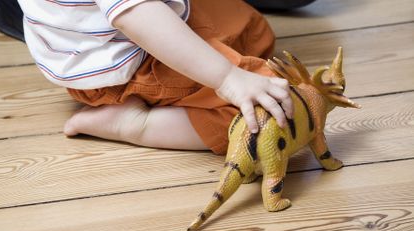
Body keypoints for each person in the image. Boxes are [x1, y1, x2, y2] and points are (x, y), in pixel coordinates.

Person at [17, 0, 295, 155]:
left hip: (97, 42)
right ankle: (135, 123)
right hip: (135, 59)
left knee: (253, 31)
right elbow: (136, 15)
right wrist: (227, 77)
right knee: (269, 112)